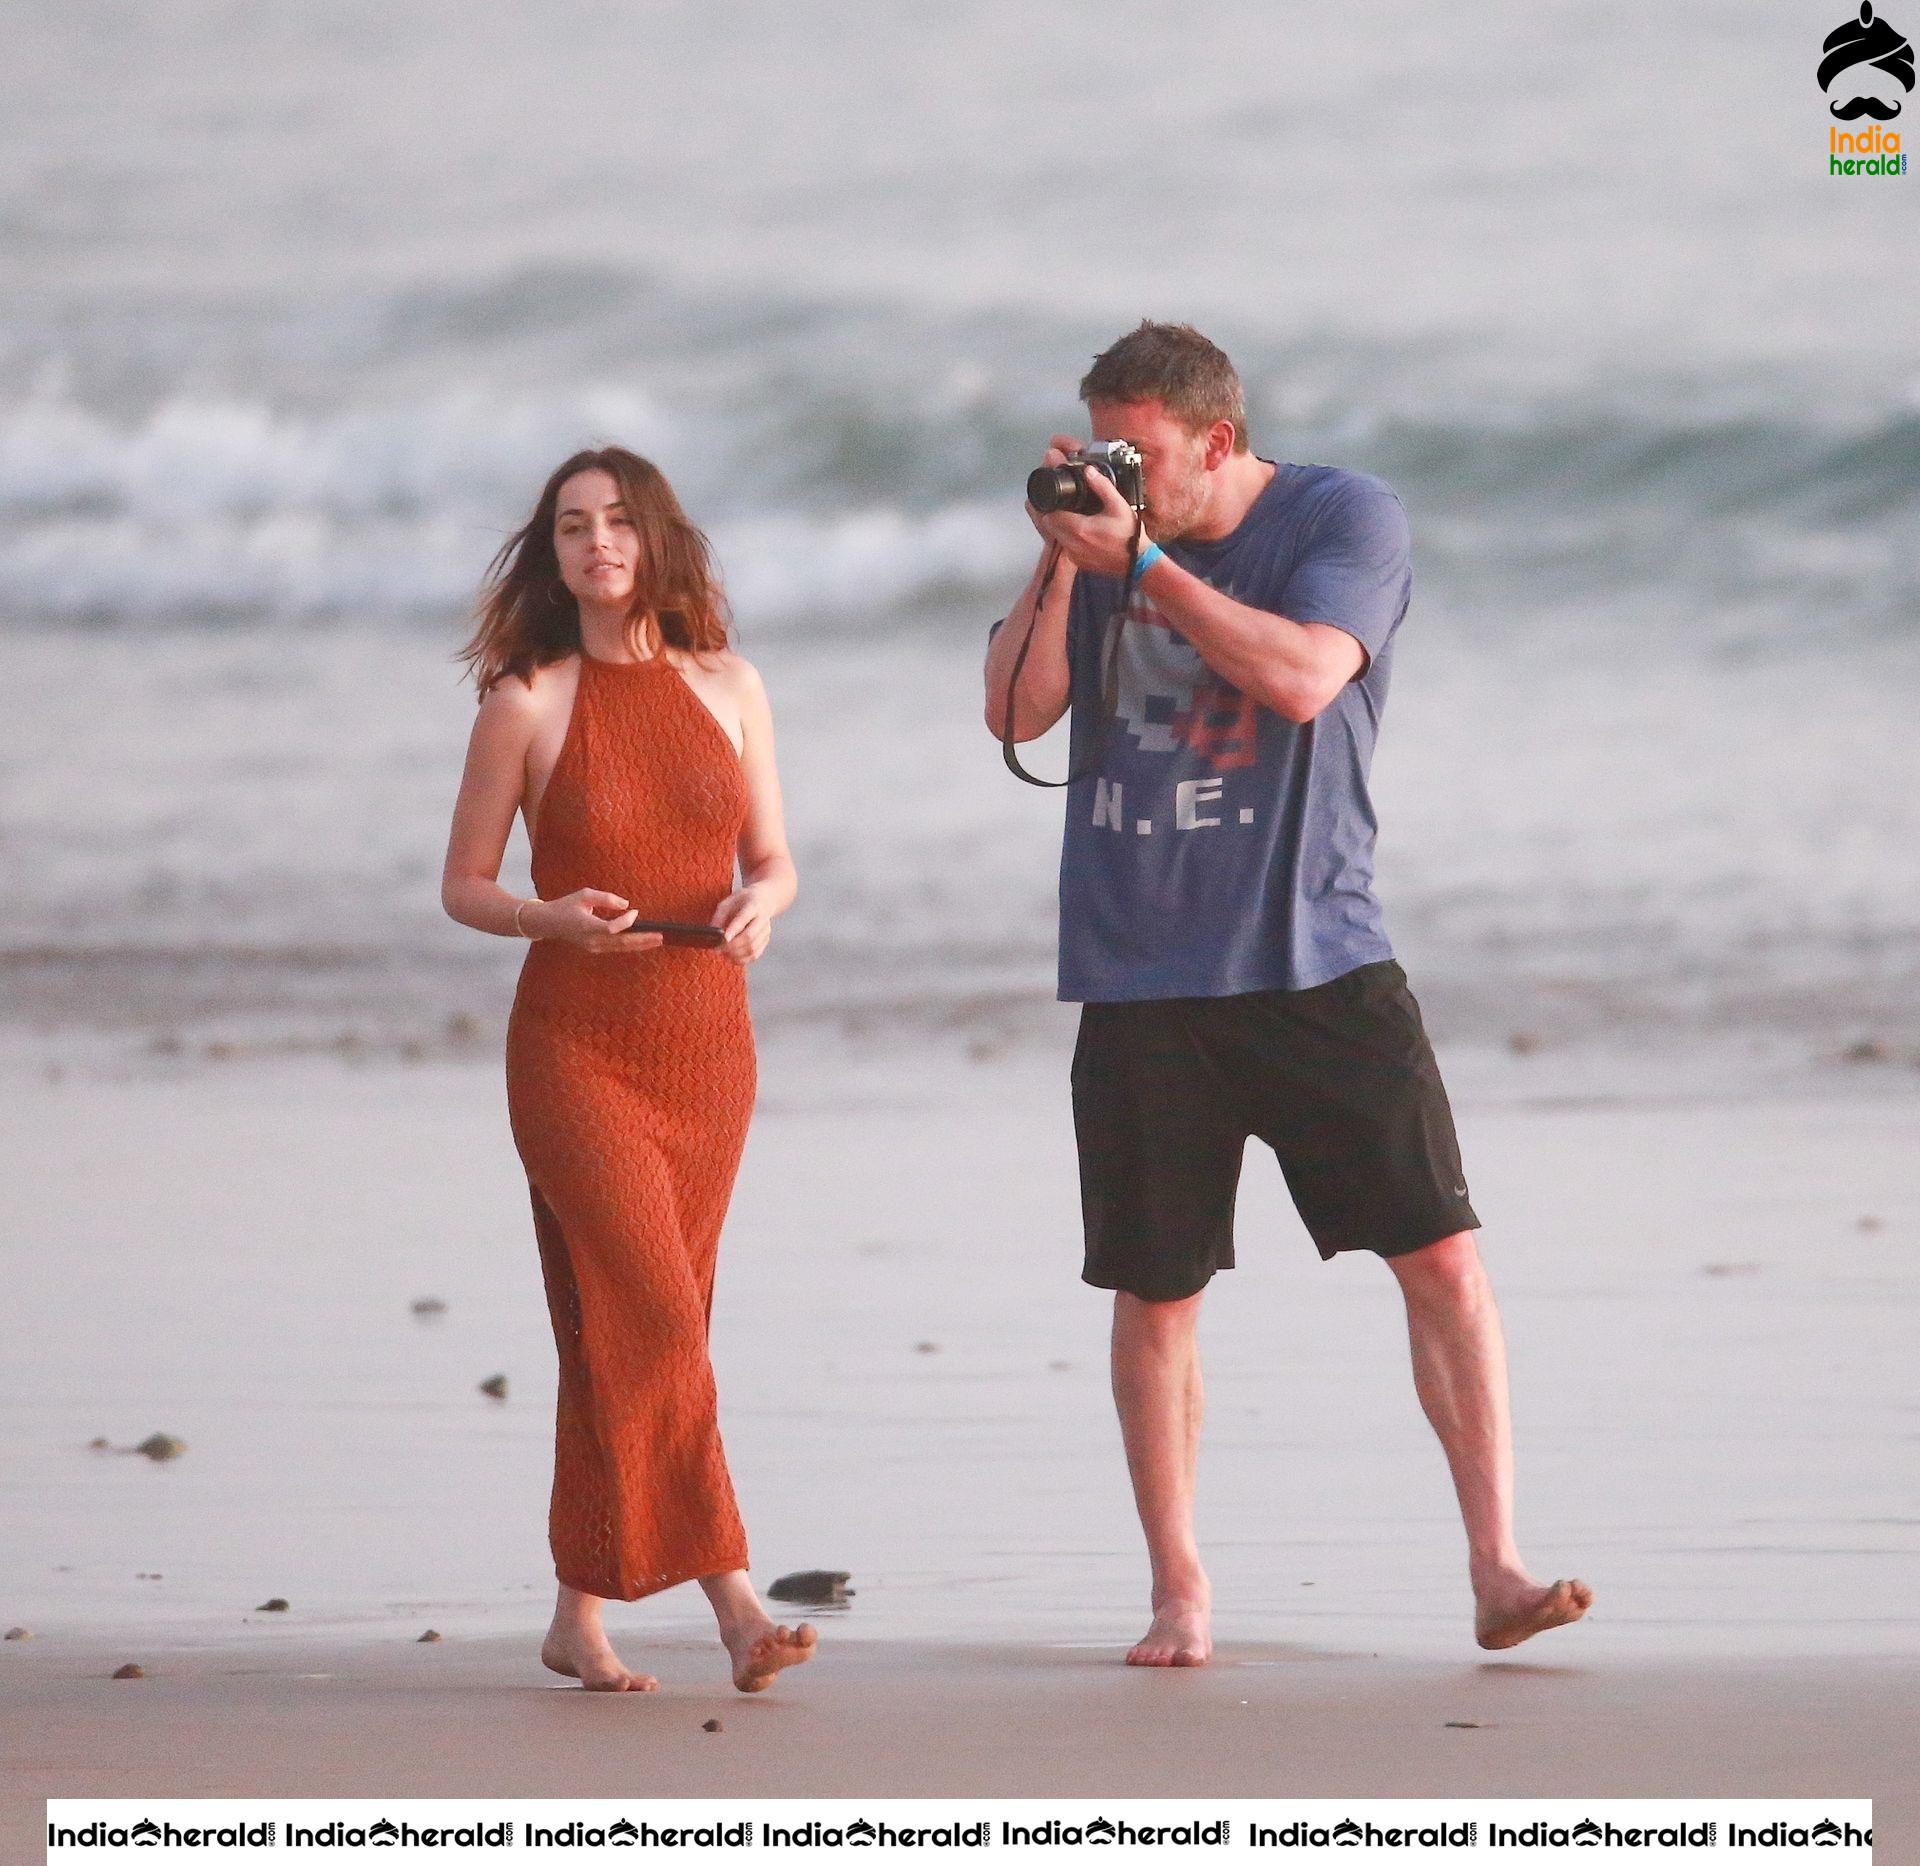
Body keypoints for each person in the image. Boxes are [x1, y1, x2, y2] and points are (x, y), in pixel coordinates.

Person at [983, 322, 1592, 1668]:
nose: (1123, 476)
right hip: (1140, 971)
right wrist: (1062, 543)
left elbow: (1308, 675)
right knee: (1158, 1295)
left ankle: (1495, 1564)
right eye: (1102, 449)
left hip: (1318, 955)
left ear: (1216, 438)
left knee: (1441, 1257)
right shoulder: (1103, 545)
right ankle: (1180, 1590)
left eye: (1140, 453)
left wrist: (1141, 562)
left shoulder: (1341, 515)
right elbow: (1014, 712)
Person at [441, 446, 816, 1694]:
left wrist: (764, 903)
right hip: (575, 1050)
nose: (595, 544)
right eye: (570, 529)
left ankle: (575, 1614)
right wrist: (550, 918)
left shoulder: (732, 683)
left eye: (615, 523)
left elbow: (775, 857)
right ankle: (737, 1608)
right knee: (655, 1317)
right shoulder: (527, 700)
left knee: (632, 1331)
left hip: (710, 1044)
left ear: (655, 540)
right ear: (551, 556)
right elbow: (465, 886)